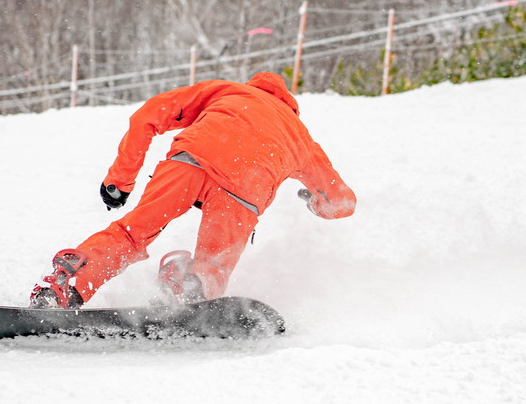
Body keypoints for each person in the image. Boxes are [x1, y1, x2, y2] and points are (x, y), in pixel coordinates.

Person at [29, 71, 356, 308]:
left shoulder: (227, 91)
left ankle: (68, 283)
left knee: (131, 234)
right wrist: (316, 204)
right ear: (291, 107)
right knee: (214, 263)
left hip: (190, 163)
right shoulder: (300, 135)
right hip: (244, 190)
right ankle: (187, 289)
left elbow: (147, 115)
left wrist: (119, 181)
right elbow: (343, 201)